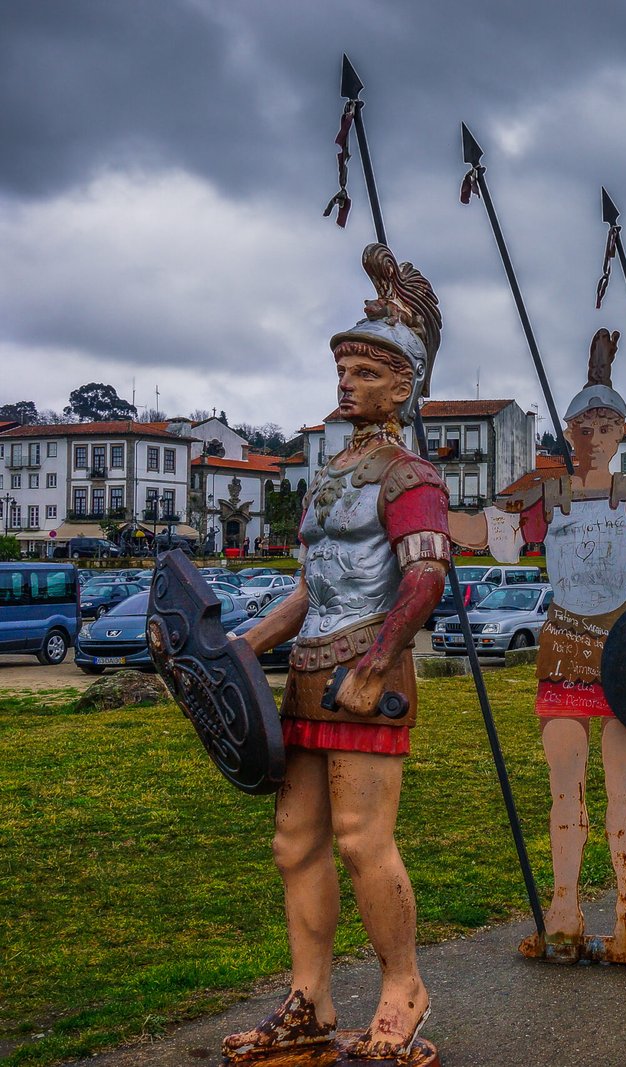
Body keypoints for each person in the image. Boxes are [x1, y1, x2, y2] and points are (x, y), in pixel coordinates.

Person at [227, 244, 447, 1060]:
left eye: (363, 370)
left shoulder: (411, 472)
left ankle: (403, 989)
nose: (346, 381)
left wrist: (380, 661)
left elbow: (424, 576)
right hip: (311, 669)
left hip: (366, 672)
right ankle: (308, 1000)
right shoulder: (328, 477)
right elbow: (312, 586)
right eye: (344, 367)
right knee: (297, 840)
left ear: (402, 384)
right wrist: (244, 647)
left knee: (362, 838)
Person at [505, 329, 626, 966]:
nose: (594, 437)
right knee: (563, 789)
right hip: (562, 647)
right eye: (584, 426)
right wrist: (430, 514)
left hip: (622, 649)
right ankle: (563, 914)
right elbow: (493, 535)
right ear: (570, 433)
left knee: (624, 788)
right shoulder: (547, 498)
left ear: (619, 435)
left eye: (607, 427)